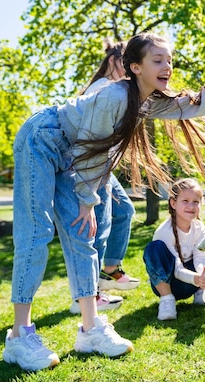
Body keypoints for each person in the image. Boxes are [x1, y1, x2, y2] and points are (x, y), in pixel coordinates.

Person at [2, 32, 205, 371]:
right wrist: (88, 199)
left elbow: (190, 106)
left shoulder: (147, 100)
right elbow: (90, 146)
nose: (167, 67)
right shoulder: (115, 95)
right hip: (42, 139)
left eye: (169, 61)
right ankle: (19, 337)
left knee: (83, 236)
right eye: (158, 60)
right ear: (135, 67)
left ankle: (90, 330)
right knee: (37, 233)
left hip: (70, 154)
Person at [68, 40, 139, 315]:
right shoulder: (105, 89)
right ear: (112, 61)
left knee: (124, 210)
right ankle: (86, 295)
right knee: (98, 226)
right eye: (125, 61)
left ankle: (109, 270)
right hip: (94, 167)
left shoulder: (116, 89)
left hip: (105, 166)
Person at [143, 178, 205, 321]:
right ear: (173, 203)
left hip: (192, 283)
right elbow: (177, 269)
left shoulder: (199, 227)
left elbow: (200, 258)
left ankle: (202, 294)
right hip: (171, 284)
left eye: (195, 202)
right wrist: (197, 278)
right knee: (154, 248)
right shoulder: (164, 232)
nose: (191, 206)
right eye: (185, 201)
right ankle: (167, 301)